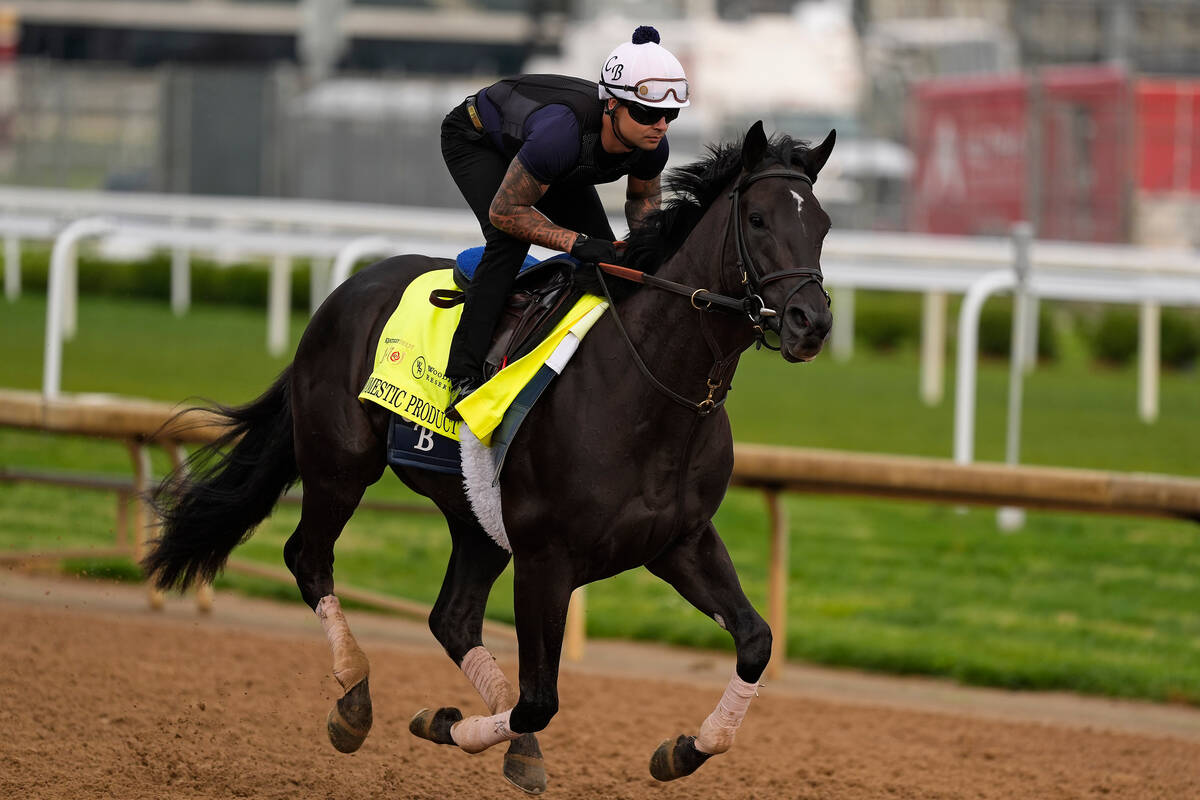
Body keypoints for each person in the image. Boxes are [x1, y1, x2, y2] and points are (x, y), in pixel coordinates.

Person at [439, 25, 690, 419]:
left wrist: (649, 248)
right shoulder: (563, 136)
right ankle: (463, 377)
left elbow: (642, 200)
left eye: (670, 115)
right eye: (647, 113)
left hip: (548, 162)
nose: (660, 125)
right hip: (478, 140)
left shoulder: (650, 145)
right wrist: (574, 242)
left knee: (611, 264)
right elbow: (505, 212)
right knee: (508, 241)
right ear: (611, 104)